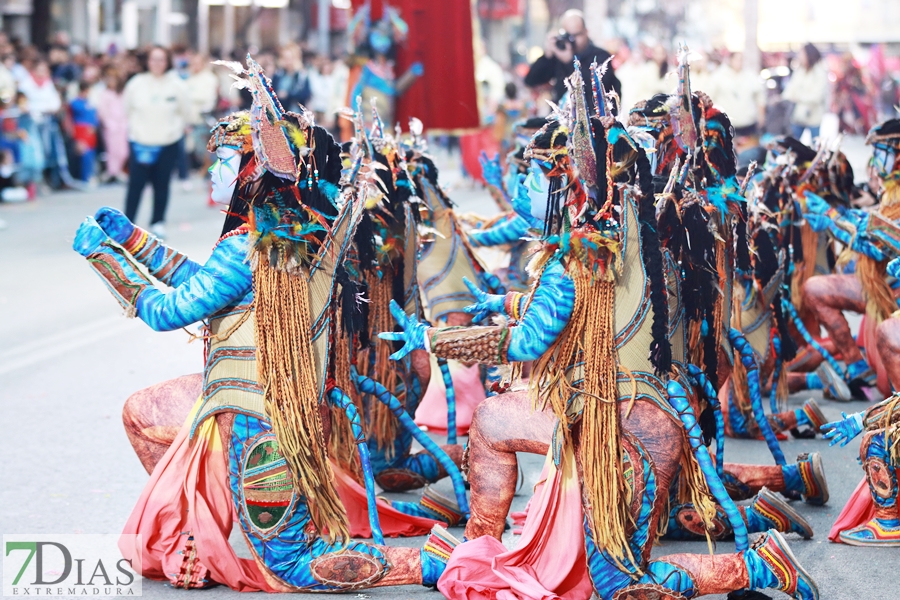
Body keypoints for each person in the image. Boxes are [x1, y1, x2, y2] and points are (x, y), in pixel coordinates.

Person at [71, 55, 452, 592]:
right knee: (144, 412)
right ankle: (194, 536)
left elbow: (166, 311)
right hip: (277, 404)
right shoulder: (293, 233)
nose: (213, 171)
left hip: (257, 419)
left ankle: (432, 564)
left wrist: (103, 258)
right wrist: (133, 240)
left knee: (293, 567)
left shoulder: (248, 245)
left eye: (223, 159)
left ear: (253, 168)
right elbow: (210, 285)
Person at [122, 46, 191, 238]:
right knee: (135, 185)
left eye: (161, 59)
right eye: (153, 59)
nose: (157, 63)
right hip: (140, 141)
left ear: (167, 61)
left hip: (167, 141)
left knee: (162, 183)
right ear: (147, 61)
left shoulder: (176, 84)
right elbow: (127, 109)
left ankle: (158, 221)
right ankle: (128, 224)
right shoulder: (136, 83)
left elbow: (186, 110)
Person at [524, 9, 621, 114]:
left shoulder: (600, 56)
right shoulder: (559, 57)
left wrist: (570, 62)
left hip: (593, 121)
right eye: (568, 36)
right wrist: (548, 56)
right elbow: (531, 80)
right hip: (562, 120)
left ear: (586, 32)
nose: (572, 40)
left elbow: (595, 88)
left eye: (576, 35)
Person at [710, 51, 766, 150]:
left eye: (741, 59)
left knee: (748, 155)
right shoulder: (718, 76)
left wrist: (761, 116)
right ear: (730, 60)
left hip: (748, 125)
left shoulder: (750, 76)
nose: (739, 62)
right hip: (726, 126)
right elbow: (710, 98)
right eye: (737, 59)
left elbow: (760, 96)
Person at [782, 43, 829, 142]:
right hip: (797, 117)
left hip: (814, 117)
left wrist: (798, 97)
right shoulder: (799, 71)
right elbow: (789, 92)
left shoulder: (819, 73)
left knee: (815, 147)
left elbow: (817, 97)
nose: (799, 57)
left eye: (801, 54)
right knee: (793, 145)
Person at [97, 67, 128, 183]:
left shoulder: (123, 93)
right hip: (111, 126)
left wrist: (126, 122)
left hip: (123, 125)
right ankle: (112, 171)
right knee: (112, 150)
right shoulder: (105, 94)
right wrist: (108, 123)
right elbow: (102, 111)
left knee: (123, 151)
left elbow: (127, 108)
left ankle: (117, 170)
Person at [68, 80, 98, 183]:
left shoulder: (90, 102)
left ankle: (90, 175)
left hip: (91, 131)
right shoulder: (75, 103)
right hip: (80, 130)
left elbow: (94, 117)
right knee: (83, 154)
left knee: (91, 154)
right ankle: (83, 177)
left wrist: (95, 126)